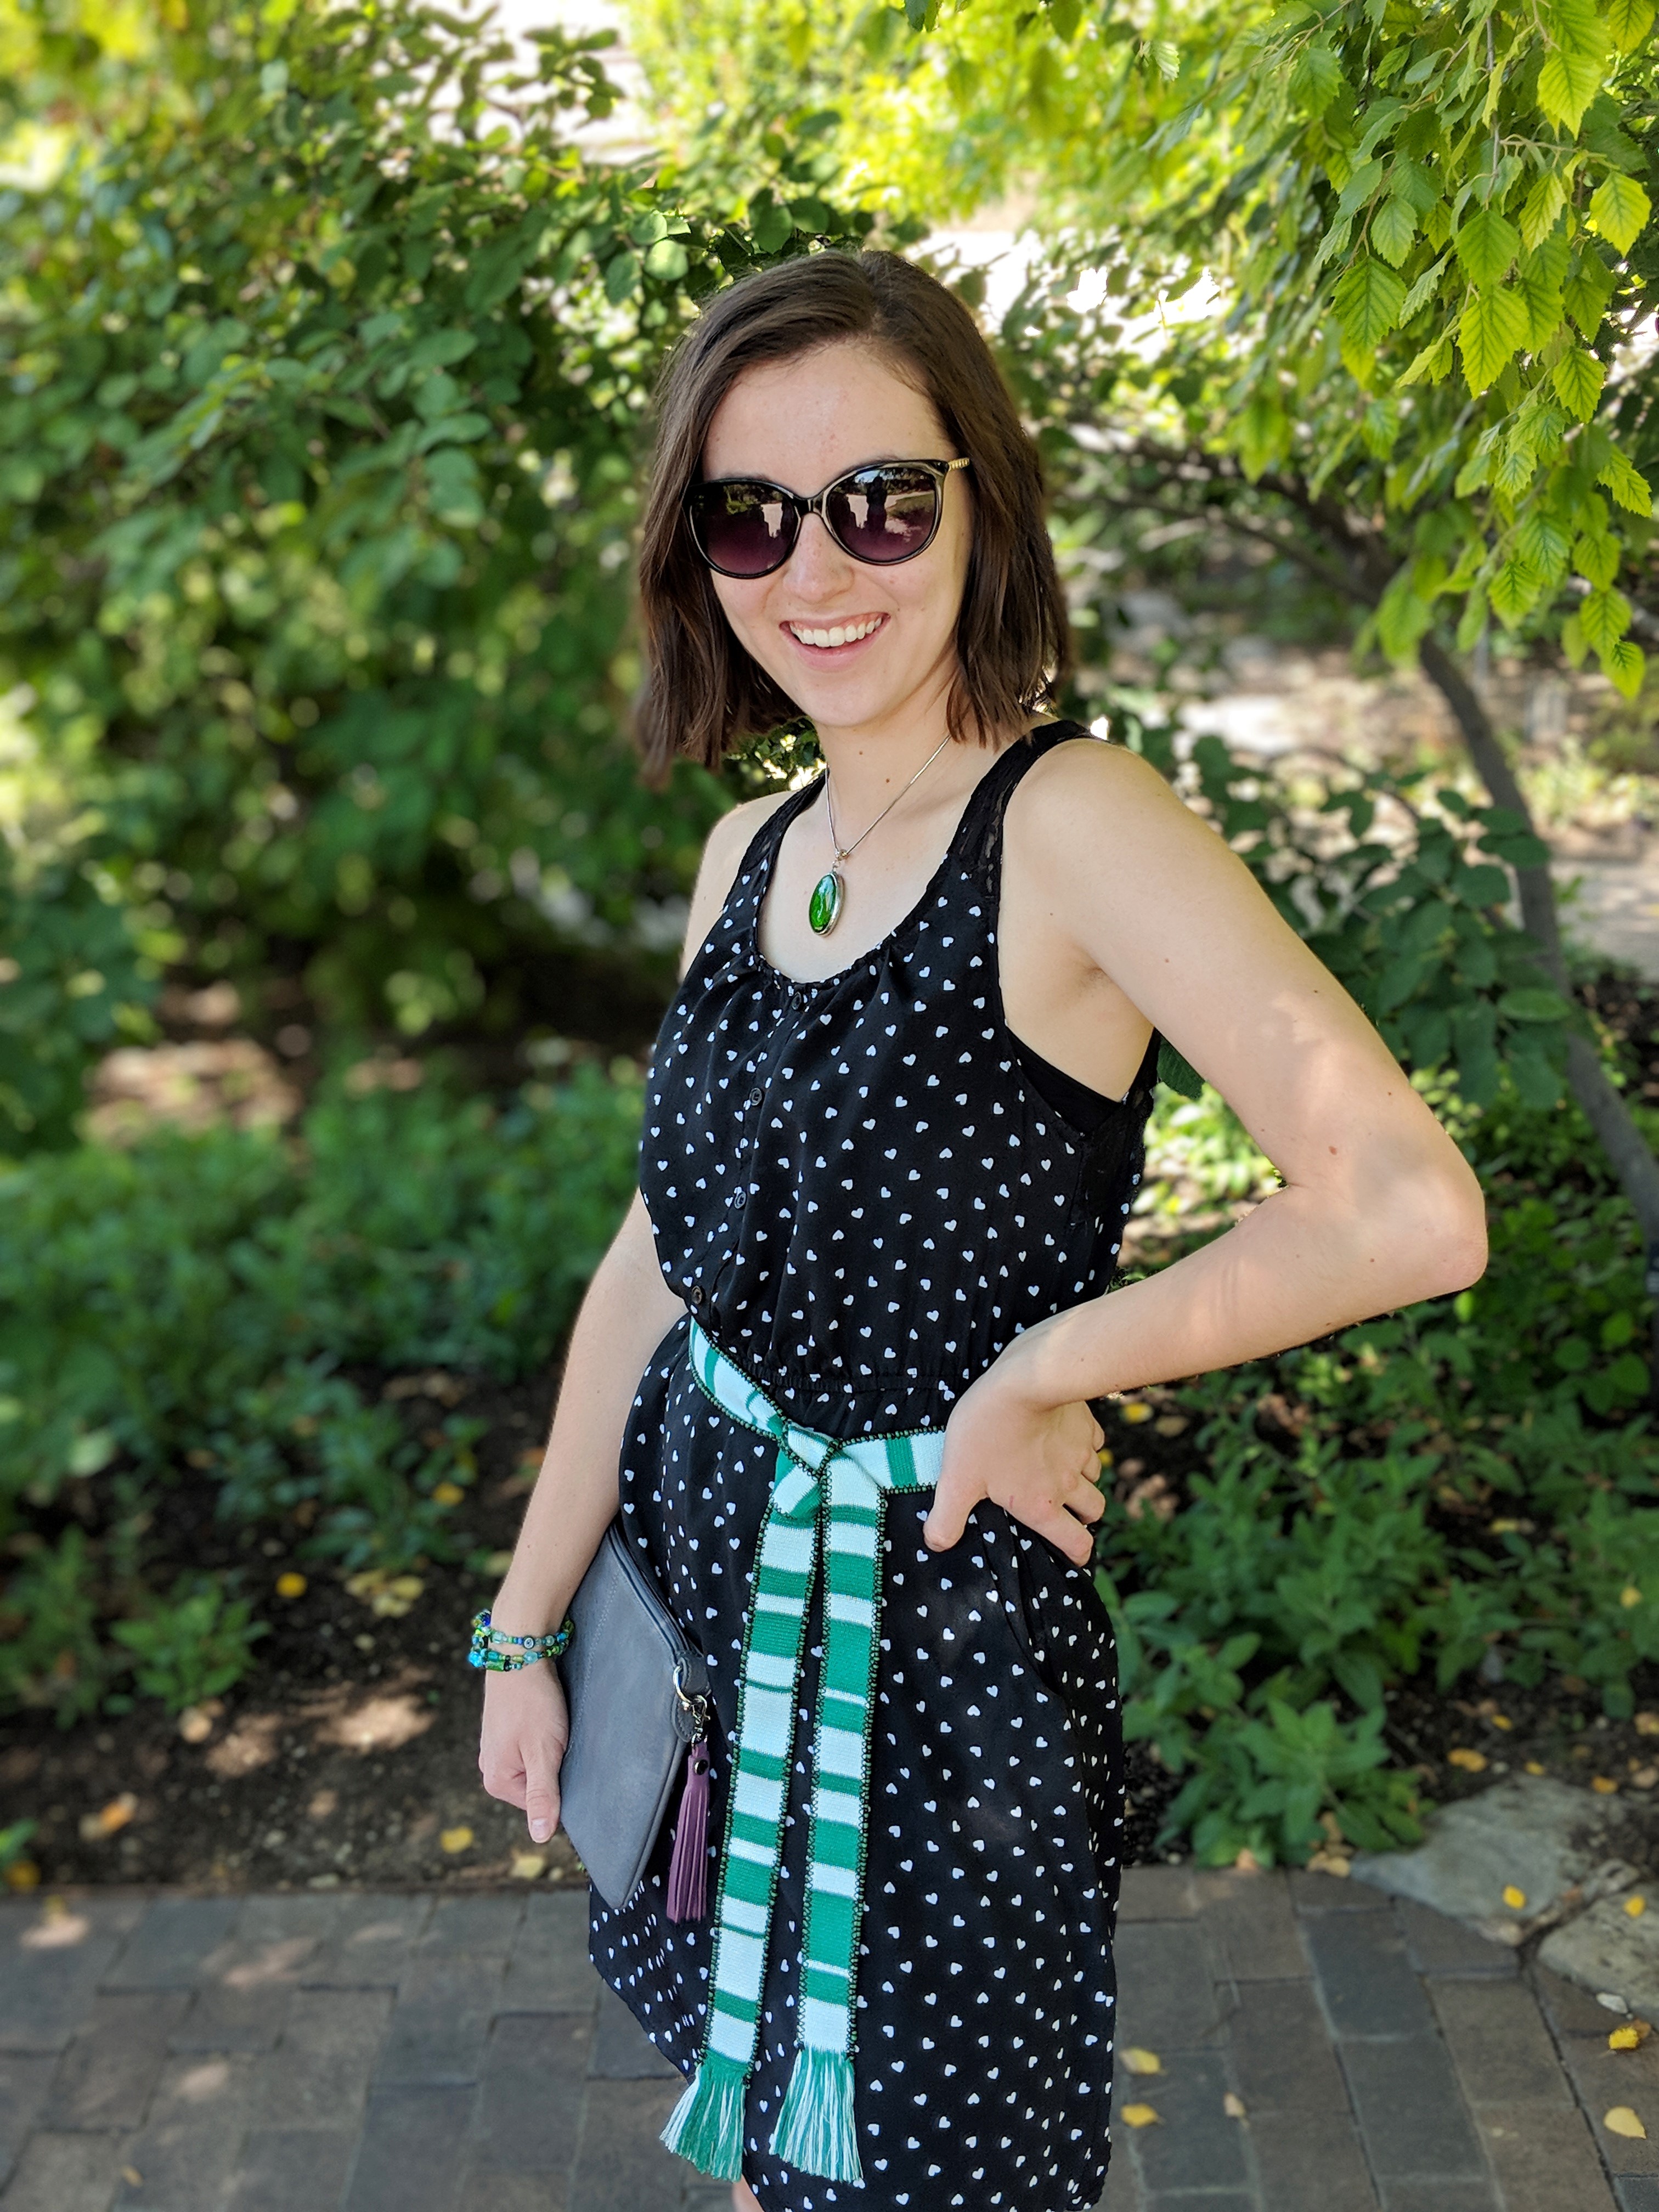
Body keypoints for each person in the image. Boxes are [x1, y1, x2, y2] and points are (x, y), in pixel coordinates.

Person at [477, 249, 1487, 2212]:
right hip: (697, 1611)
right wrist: (524, 1628)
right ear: (693, 552)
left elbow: (1408, 1206)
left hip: (931, 1675)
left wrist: (1054, 1362)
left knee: (935, 2162)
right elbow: (654, 1261)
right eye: (749, 517)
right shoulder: (746, 850)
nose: (819, 569)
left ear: (981, 500)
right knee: (762, 2129)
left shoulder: (1077, 822)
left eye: (882, 499)